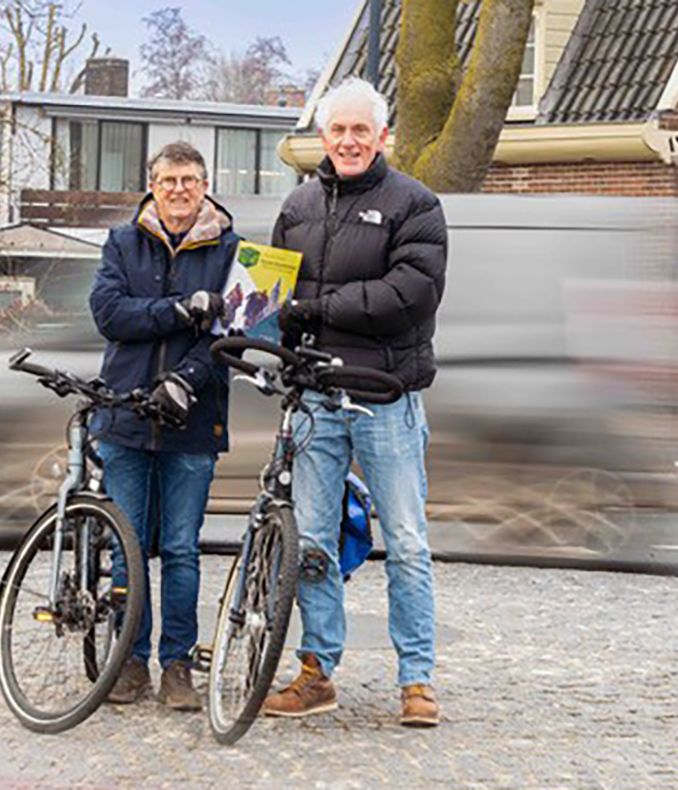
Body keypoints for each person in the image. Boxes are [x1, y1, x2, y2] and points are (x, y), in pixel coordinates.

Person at [260, 77, 448, 727]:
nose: (347, 140)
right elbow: (266, 300)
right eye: (337, 130)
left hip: (385, 399)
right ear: (322, 136)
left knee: (405, 540)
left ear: (382, 137)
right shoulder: (297, 206)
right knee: (311, 539)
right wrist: (247, 330)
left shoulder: (416, 205)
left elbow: (411, 294)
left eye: (360, 130)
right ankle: (317, 672)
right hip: (316, 399)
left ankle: (417, 681)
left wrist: (316, 308)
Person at [88, 141, 236, 711]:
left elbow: (227, 333)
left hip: (193, 422)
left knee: (180, 549)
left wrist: (187, 379)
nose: (179, 189)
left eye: (190, 179)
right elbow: (109, 314)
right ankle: (129, 660)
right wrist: (178, 310)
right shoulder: (123, 242)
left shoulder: (230, 250)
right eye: (169, 179)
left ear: (205, 185)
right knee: (129, 548)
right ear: (152, 185)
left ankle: (178, 665)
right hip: (125, 414)